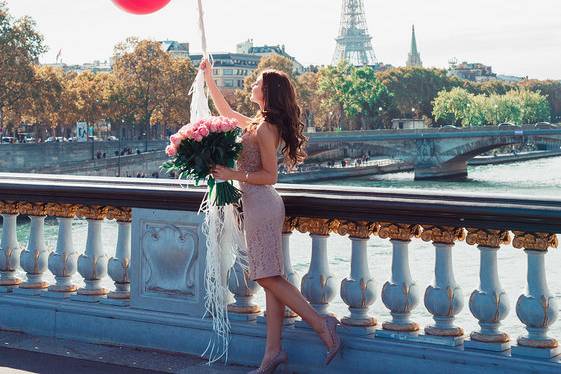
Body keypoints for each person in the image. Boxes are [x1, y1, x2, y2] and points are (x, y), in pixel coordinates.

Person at [201, 58, 342, 373]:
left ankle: (322, 325)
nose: (251, 85)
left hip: (262, 203)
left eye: (256, 83)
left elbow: (270, 176)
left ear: (266, 91)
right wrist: (209, 78)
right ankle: (273, 353)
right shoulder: (257, 122)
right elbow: (225, 112)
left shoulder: (265, 128)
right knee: (270, 278)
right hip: (255, 205)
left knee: (266, 276)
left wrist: (230, 172)